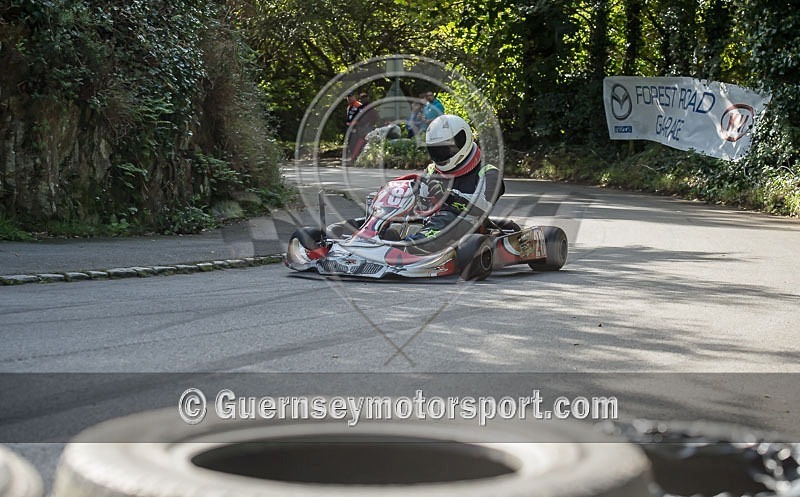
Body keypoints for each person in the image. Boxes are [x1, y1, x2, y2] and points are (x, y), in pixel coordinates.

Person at [406, 114, 505, 249]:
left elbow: (482, 206)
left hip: (466, 223)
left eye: (446, 149)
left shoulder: (489, 172)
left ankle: (417, 245)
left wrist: (448, 196)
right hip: (429, 219)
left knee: (446, 218)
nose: (441, 155)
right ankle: (383, 239)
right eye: (436, 151)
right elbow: (421, 201)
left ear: (462, 141)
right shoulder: (431, 170)